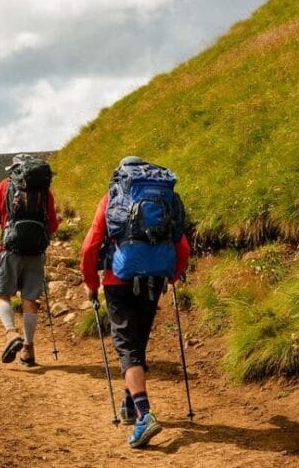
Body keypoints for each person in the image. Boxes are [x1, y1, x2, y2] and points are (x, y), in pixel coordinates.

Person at [80, 156, 190, 448]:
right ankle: (129, 404)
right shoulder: (165, 197)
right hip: (154, 279)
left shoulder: (113, 198)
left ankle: (144, 415)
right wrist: (172, 277)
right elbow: (183, 245)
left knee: (127, 347)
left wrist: (91, 283)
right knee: (138, 343)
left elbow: (90, 245)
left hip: (118, 280)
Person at [0, 154, 59, 366]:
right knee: (30, 301)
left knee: (2, 295)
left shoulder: (6, 185)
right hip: (35, 252)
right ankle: (29, 348)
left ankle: (10, 333)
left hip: (9, 248)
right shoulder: (44, 190)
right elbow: (51, 224)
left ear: (15, 169)